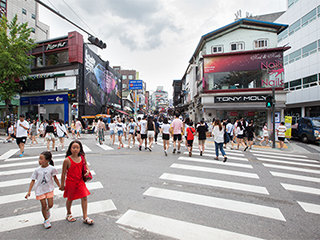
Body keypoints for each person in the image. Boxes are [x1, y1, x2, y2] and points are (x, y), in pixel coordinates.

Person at [59, 140, 93, 225]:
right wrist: (62, 185)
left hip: (80, 180)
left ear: (80, 149)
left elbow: (85, 164)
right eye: (73, 148)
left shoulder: (82, 157)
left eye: (77, 148)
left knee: (84, 197)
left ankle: (85, 217)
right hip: (71, 182)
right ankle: (68, 213)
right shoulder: (67, 160)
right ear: (70, 149)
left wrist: (88, 171)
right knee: (70, 198)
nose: (75, 149)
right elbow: (63, 174)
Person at [25, 151, 60, 229]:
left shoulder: (52, 168)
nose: (39, 160)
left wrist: (60, 186)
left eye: (41, 159)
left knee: (50, 205)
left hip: (49, 189)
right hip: (40, 190)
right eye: (39, 158)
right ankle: (46, 220)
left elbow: (55, 178)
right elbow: (33, 180)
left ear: (48, 160)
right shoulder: (37, 170)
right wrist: (29, 191)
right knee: (43, 205)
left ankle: (47, 210)